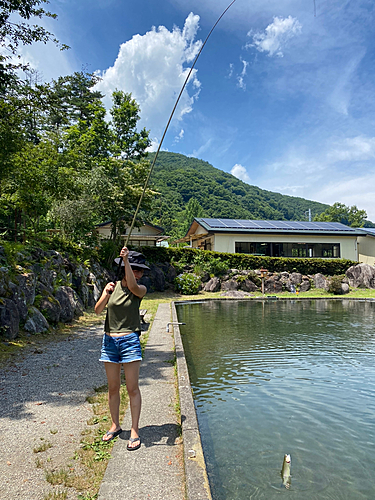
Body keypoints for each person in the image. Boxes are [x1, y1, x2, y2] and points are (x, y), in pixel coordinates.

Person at [95, 247, 149, 451]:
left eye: (141, 271)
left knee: (132, 388)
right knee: (113, 387)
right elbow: (98, 310)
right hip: (109, 342)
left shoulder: (140, 289)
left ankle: (135, 430)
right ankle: (115, 425)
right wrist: (106, 295)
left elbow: (133, 285)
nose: (139, 274)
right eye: (137, 269)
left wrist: (125, 261)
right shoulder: (112, 286)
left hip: (129, 341)